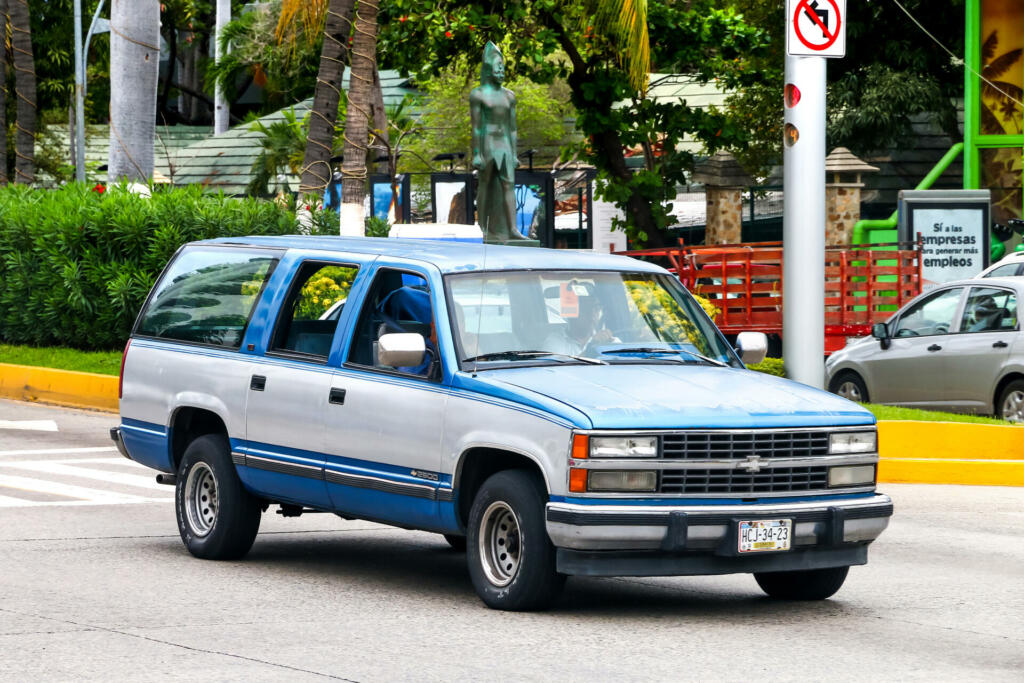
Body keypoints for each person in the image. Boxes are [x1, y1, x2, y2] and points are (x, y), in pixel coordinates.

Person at [544, 293, 618, 357]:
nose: (592, 314)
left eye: (596, 308)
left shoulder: (607, 341)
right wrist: (591, 349)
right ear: (571, 315)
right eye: (586, 309)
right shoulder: (555, 341)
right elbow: (554, 369)